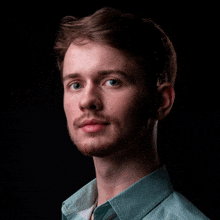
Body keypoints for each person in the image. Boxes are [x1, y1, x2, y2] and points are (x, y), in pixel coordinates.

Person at [54, 7, 209, 220]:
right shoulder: (73, 213)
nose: (87, 100)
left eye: (112, 82)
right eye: (75, 84)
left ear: (161, 101)